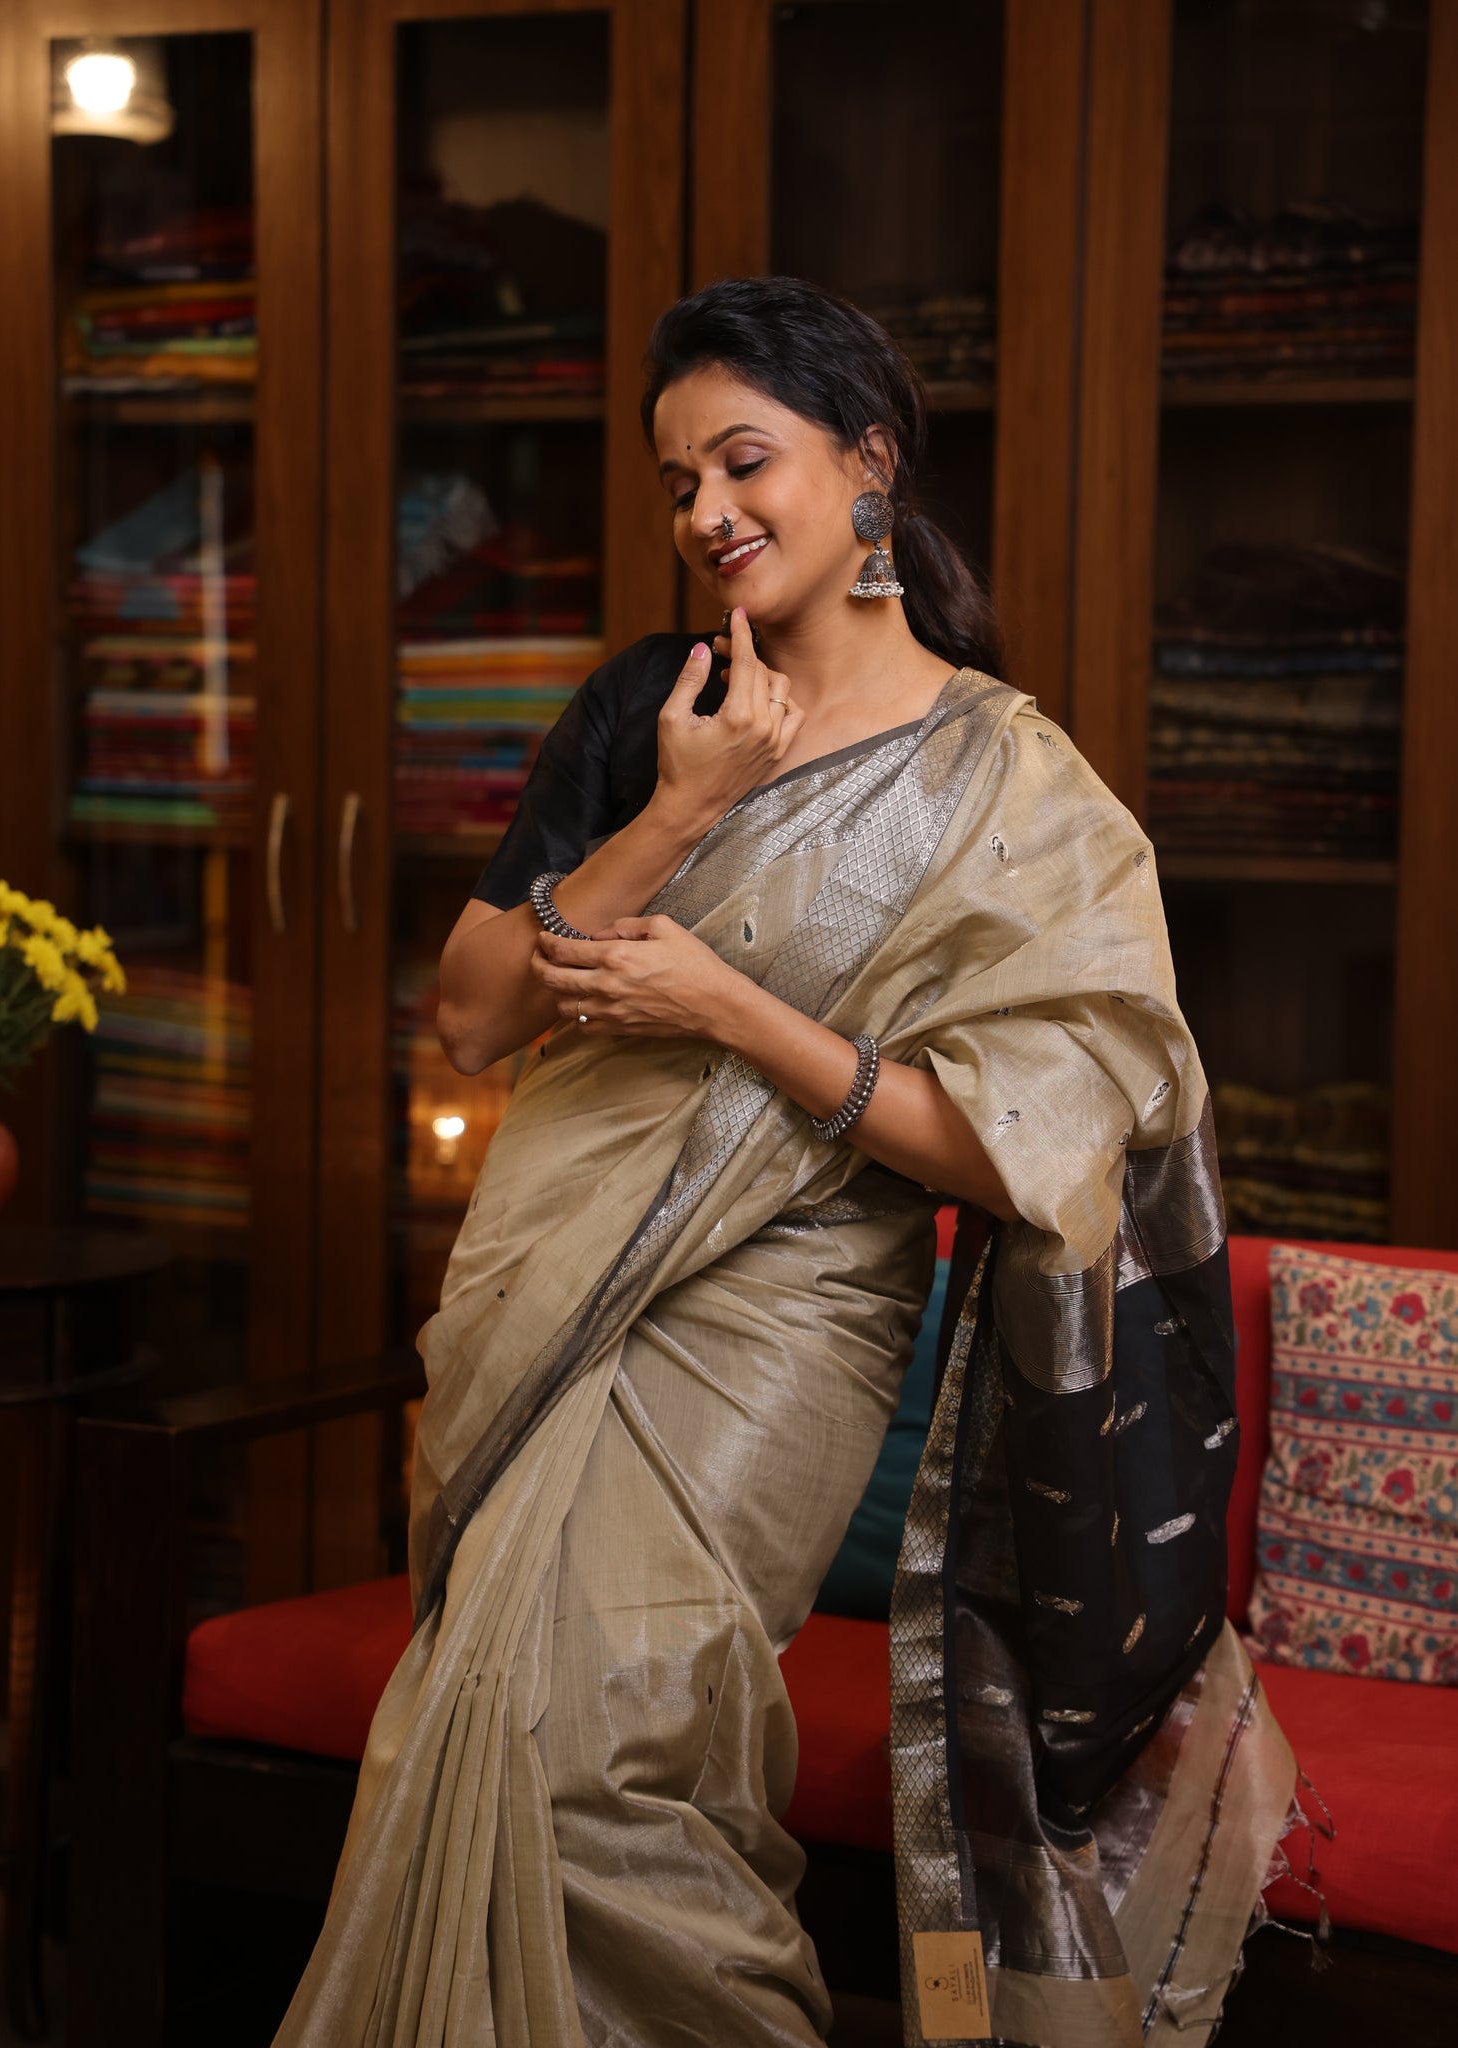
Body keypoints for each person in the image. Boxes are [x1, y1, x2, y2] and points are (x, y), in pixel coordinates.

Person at [271, 276, 1301, 2048]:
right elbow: (472, 1014)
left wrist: (731, 1008)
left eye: (744, 461)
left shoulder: (1008, 786)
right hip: (555, 1287)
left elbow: (1023, 1144)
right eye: (679, 482)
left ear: (869, 464)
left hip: (795, 1312)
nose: (707, 513)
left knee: (615, 1748)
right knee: (486, 1718)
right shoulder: (648, 706)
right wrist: (680, 805)